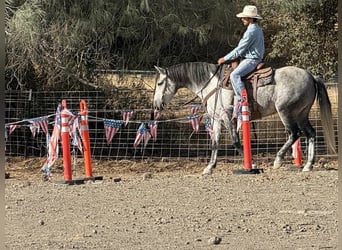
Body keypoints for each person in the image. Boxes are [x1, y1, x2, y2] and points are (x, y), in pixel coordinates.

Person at [217, 5, 264, 119]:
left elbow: (239, 49)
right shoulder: (257, 28)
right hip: (253, 58)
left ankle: (242, 102)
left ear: (250, 19)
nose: (242, 19)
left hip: (251, 60)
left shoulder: (251, 31)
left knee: (234, 75)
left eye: (244, 17)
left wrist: (225, 58)